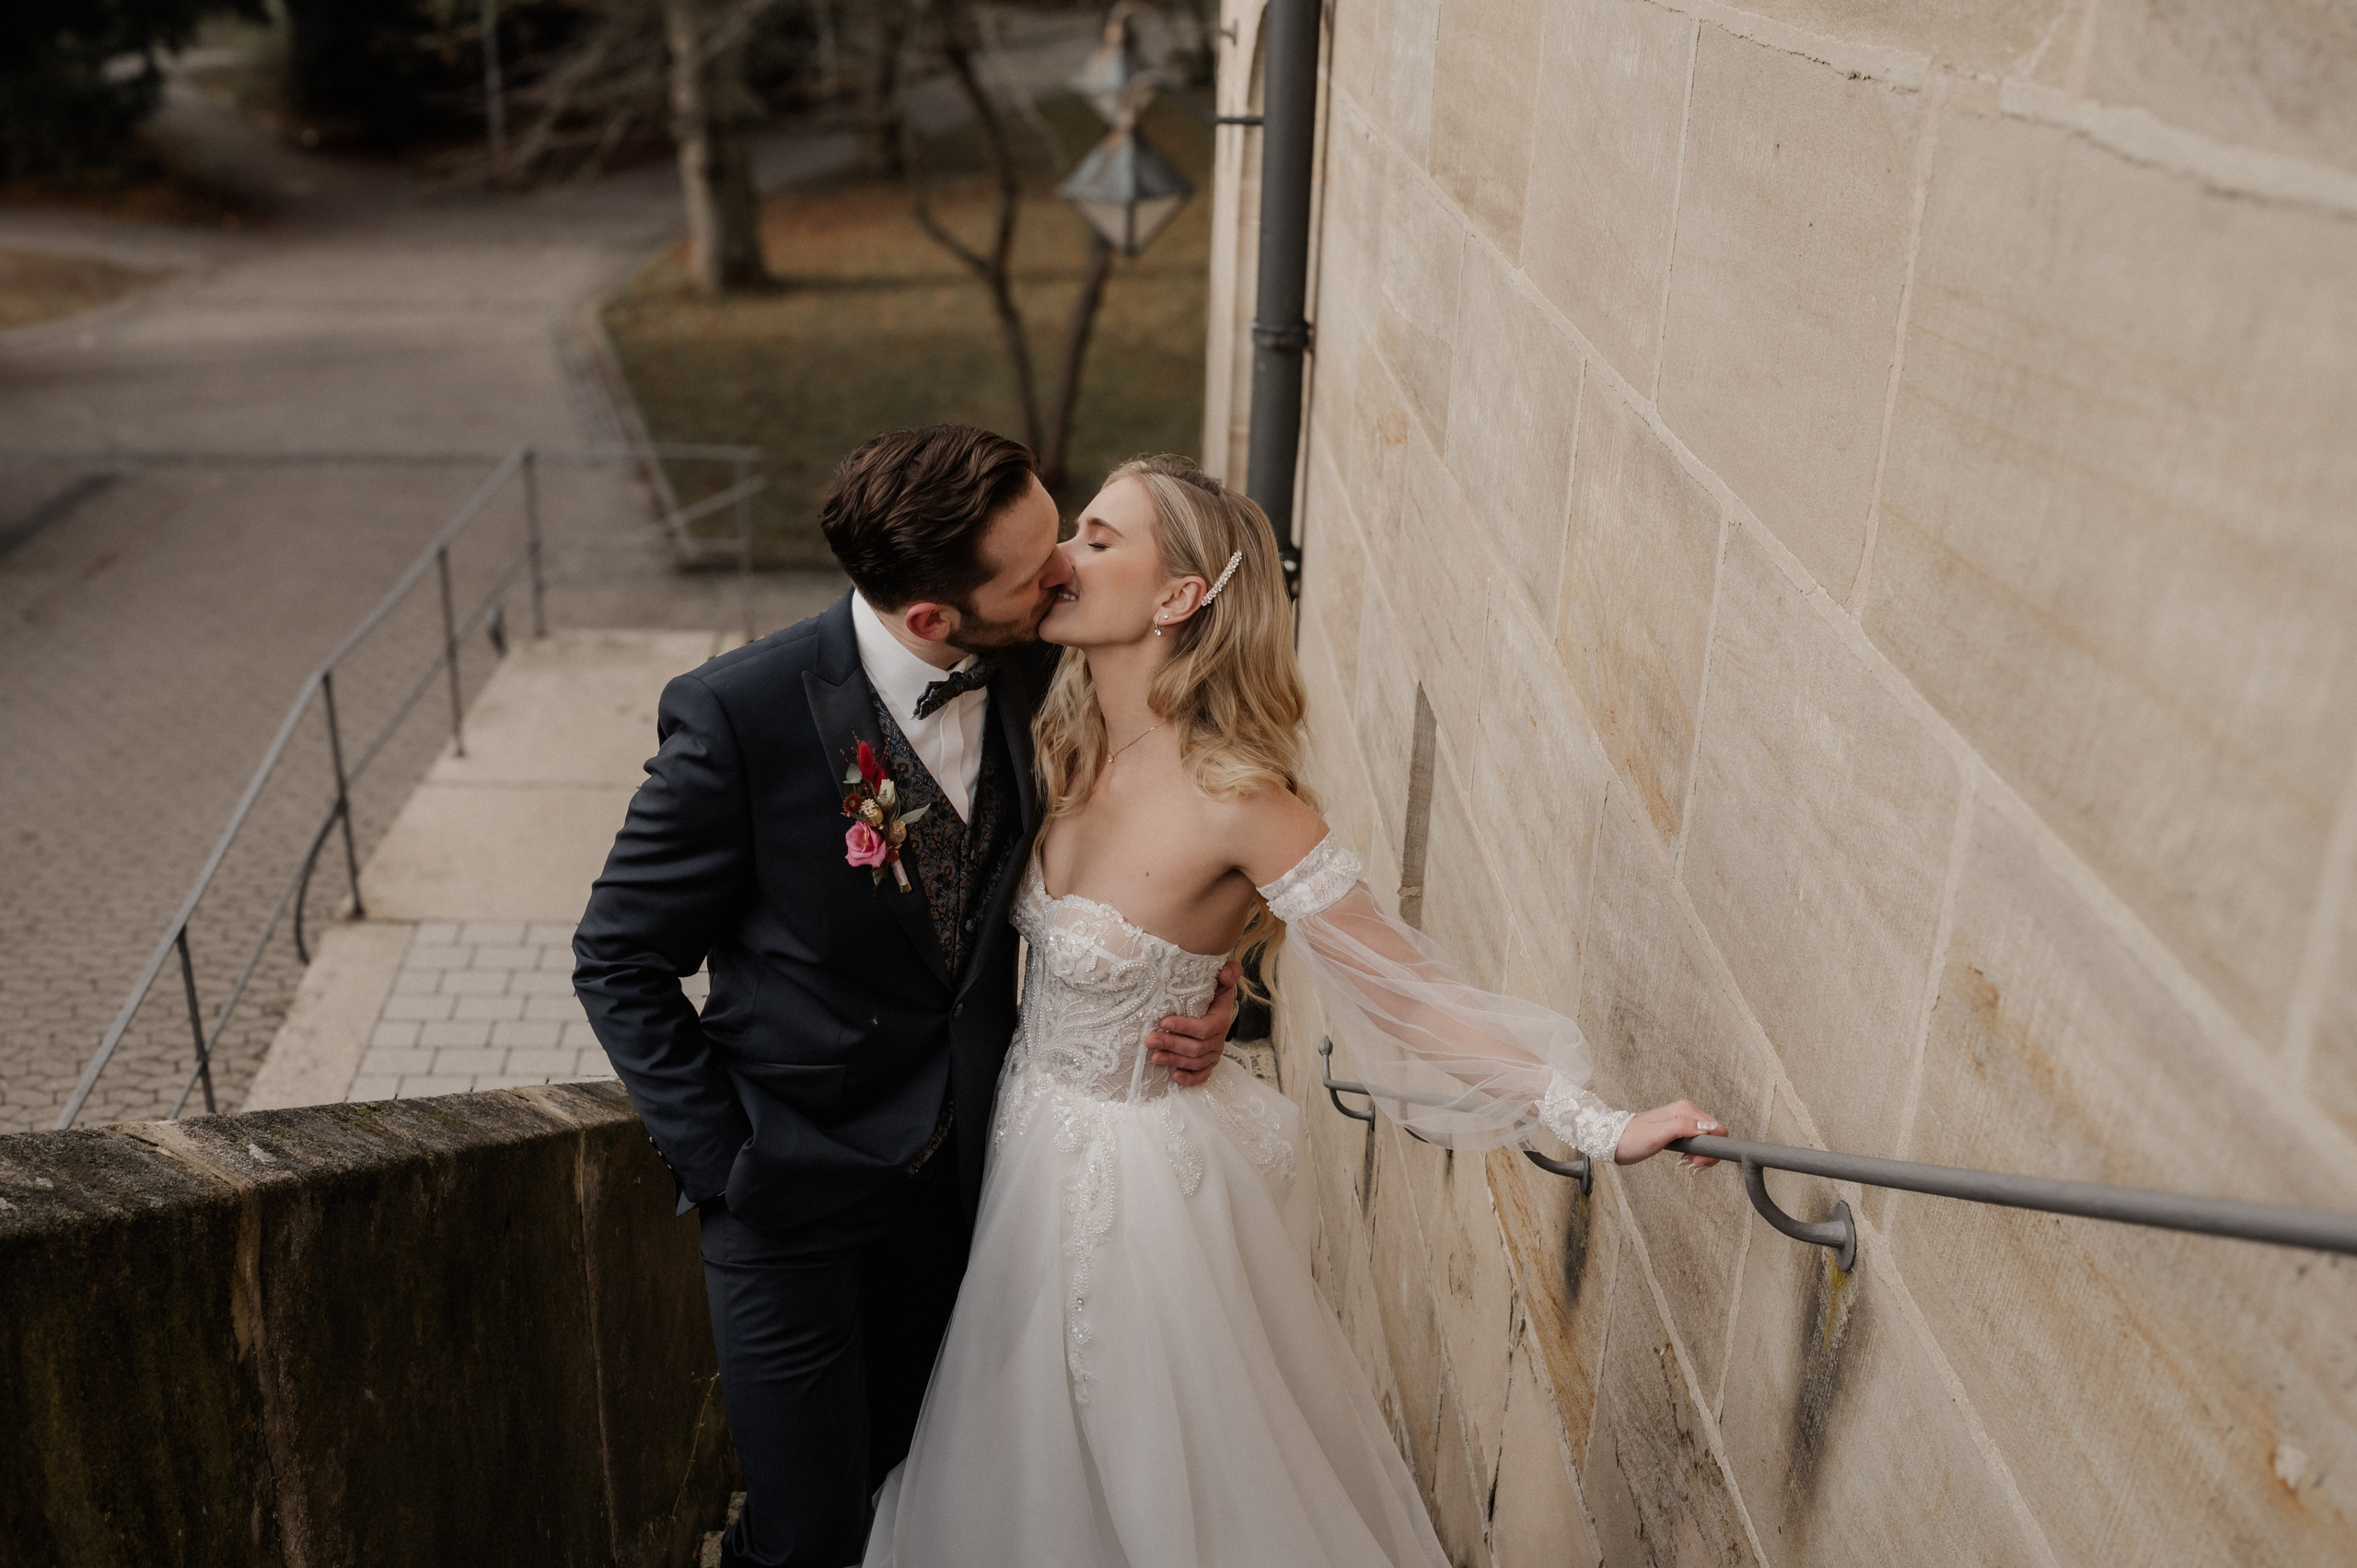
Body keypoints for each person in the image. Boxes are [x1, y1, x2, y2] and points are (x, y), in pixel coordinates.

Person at [861, 456, 1724, 1567]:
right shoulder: (1052, 733)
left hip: (1138, 1196)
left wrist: (1601, 1123)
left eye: (1097, 537)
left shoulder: (1243, 803)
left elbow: (1409, 995)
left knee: (1161, 1475)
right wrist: (1207, 985)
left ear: (1178, 599)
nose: (1061, 559)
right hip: (1020, 1144)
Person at [573, 428, 1242, 1568]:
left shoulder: (1047, 668)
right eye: (1037, 572)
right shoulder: (740, 717)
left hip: (980, 1188)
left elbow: (1172, 847)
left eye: (1063, 535)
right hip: (791, 1200)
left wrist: (1220, 984)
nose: (1066, 576)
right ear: (933, 618)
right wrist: (730, 1165)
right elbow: (617, 958)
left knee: (921, 1495)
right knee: (806, 1531)